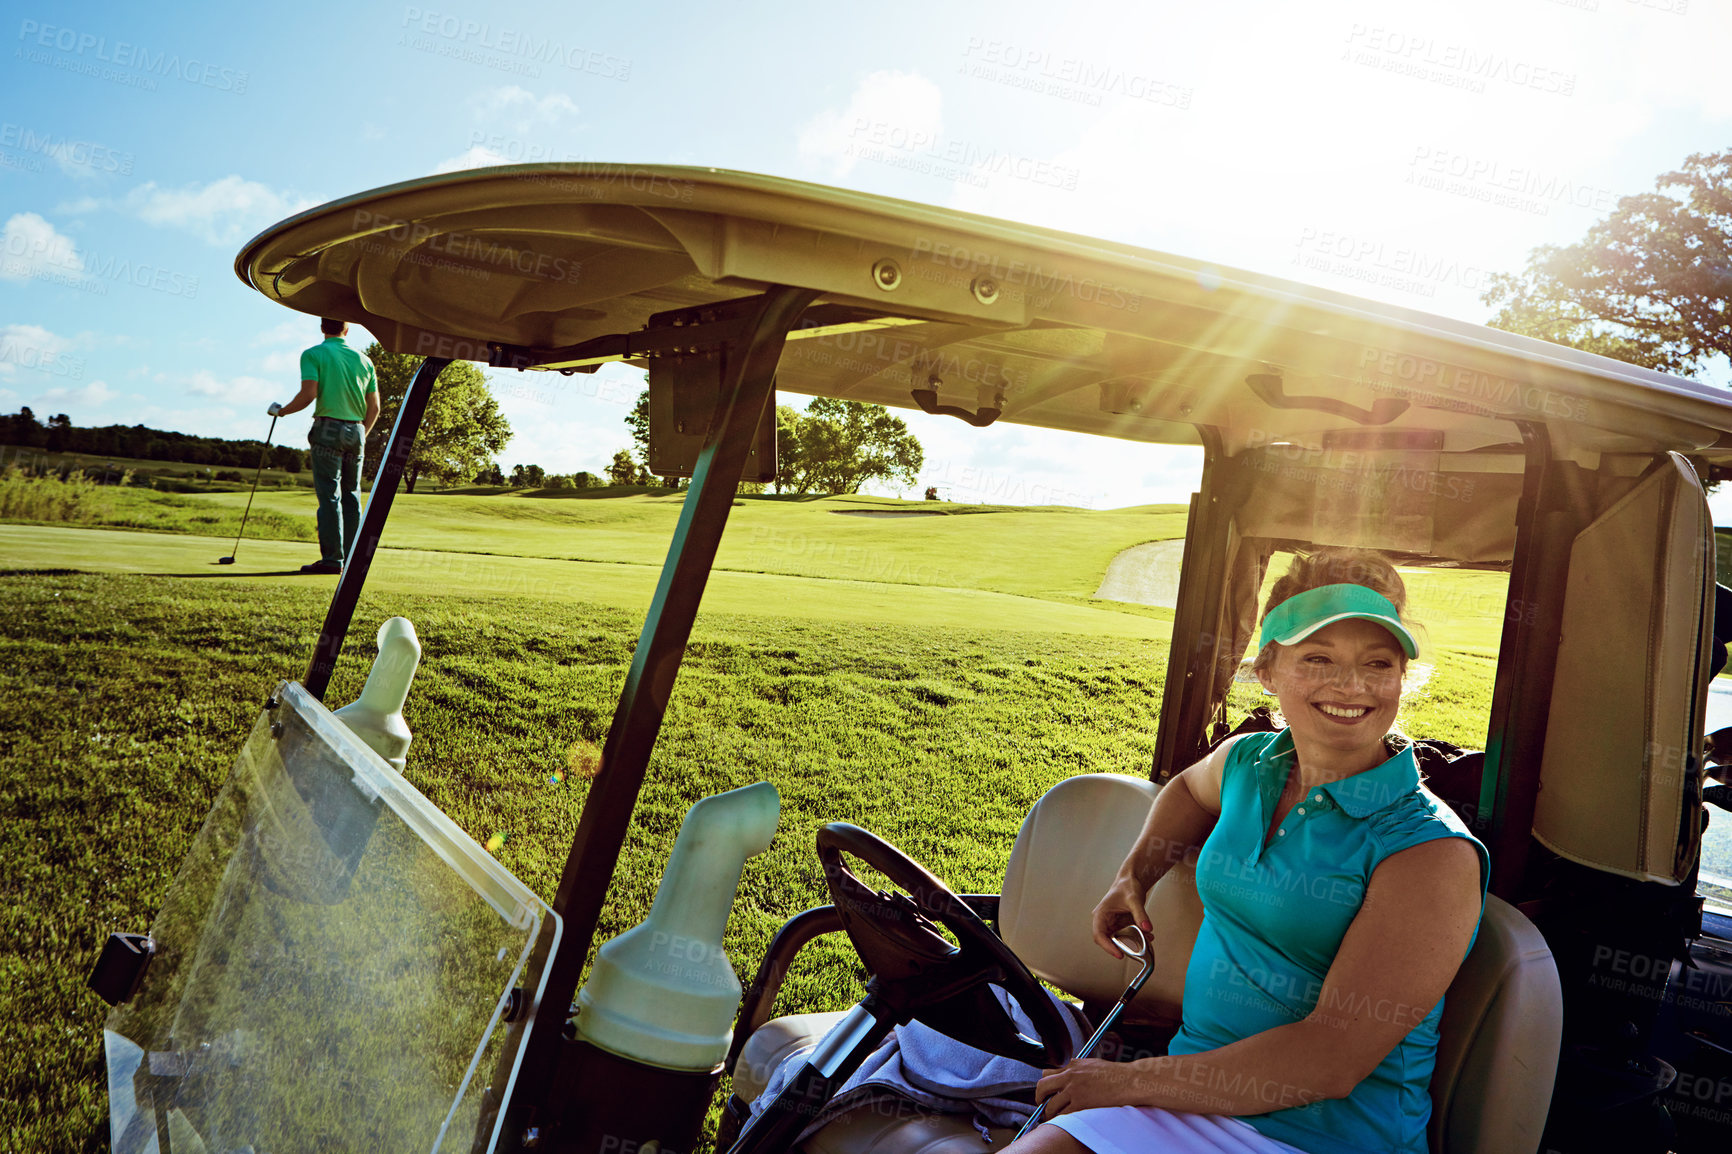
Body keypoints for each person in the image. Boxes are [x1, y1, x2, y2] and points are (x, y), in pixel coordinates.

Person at [1018, 549, 1488, 1154]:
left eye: (1378, 664)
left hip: (1320, 1137)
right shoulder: (1250, 764)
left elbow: (1330, 1059)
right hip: (1186, 1099)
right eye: (1319, 659)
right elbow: (1188, 787)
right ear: (1267, 671)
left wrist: (1125, 1080)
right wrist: (1134, 876)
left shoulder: (1429, 852)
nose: (1352, 686)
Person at [269, 318, 379, 575]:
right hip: (357, 430)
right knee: (352, 495)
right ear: (347, 329)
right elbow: (374, 408)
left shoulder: (313, 354)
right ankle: (352, 560)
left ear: (322, 328)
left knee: (330, 495)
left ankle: (332, 560)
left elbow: (308, 394)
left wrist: (281, 412)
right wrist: (360, 432)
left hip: (328, 428)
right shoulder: (365, 360)